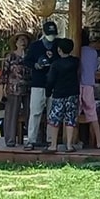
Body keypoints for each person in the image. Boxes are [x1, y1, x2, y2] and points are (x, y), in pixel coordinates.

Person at [25, 20, 59, 150]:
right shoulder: (35, 46)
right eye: (49, 34)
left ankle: (51, 140)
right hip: (38, 83)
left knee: (53, 113)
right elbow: (27, 61)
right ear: (44, 33)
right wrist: (35, 65)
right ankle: (31, 140)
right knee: (35, 112)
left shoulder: (57, 45)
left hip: (54, 84)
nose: (52, 37)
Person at [44, 38, 81, 154]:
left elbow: (50, 80)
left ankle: (53, 145)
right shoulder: (76, 62)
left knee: (55, 119)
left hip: (59, 94)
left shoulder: (55, 64)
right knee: (70, 119)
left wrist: (48, 92)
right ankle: (69, 145)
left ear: (59, 50)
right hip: (73, 93)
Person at [1, 33, 30, 149]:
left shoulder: (29, 56)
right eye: (21, 40)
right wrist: (1, 90)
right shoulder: (10, 56)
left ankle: (31, 138)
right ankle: (10, 139)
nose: (23, 42)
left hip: (28, 88)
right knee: (11, 114)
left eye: (25, 40)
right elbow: (4, 74)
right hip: (13, 89)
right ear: (16, 42)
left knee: (29, 112)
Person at [78, 28, 100, 149]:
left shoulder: (76, 51)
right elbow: (94, 69)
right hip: (89, 84)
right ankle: (99, 141)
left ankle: (72, 140)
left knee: (73, 114)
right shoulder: (93, 52)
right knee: (92, 113)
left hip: (77, 85)